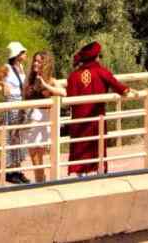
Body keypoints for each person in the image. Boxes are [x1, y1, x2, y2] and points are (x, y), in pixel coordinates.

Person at [66, 42, 134, 176]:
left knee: (80, 145)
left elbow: (69, 98)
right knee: (97, 145)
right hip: (96, 120)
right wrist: (129, 90)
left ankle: (81, 175)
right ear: (97, 57)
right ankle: (99, 172)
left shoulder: (73, 76)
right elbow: (121, 88)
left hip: (78, 121)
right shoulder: (102, 72)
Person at [23, 51, 66, 183]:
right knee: (33, 153)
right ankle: (40, 179)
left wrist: (45, 84)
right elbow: (24, 97)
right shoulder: (29, 79)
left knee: (39, 152)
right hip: (30, 118)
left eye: (39, 61)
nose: (35, 63)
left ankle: (41, 179)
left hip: (44, 119)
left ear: (45, 64)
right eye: (35, 61)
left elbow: (63, 92)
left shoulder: (51, 80)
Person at [0, 41, 30, 184]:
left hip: (21, 104)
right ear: (16, 54)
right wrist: (3, 84)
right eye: (23, 52)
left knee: (19, 137)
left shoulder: (21, 67)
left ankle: (18, 170)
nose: (25, 55)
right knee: (11, 136)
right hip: (11, 104)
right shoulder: (6, 68)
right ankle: (10, 171)